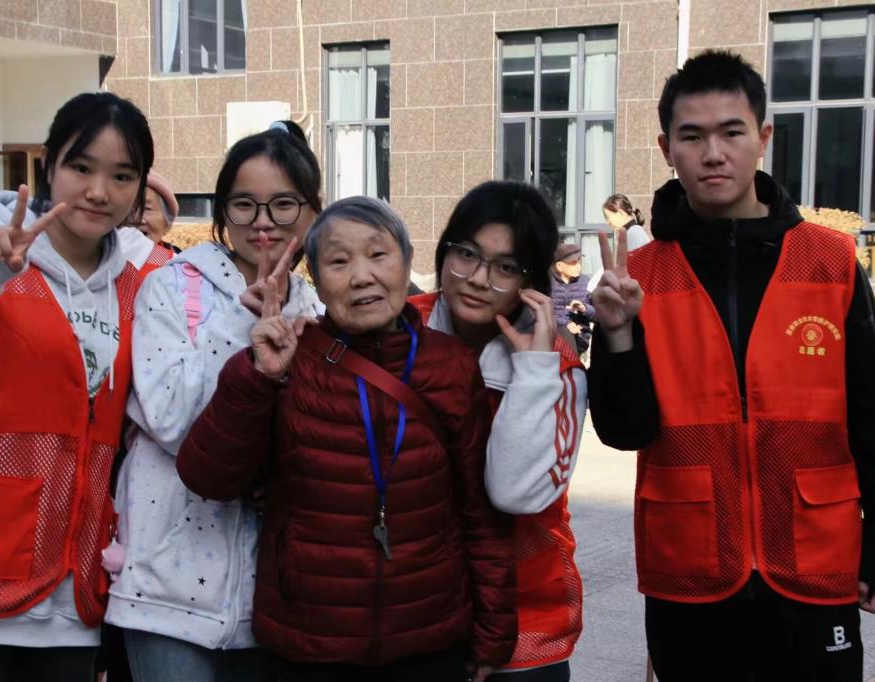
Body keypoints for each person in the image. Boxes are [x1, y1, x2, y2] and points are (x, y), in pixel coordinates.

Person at [588, 50, 875, 682]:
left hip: (813, 554)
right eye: (692, 136)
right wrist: (618, 332)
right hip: (690, 563)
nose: (713, 153)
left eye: (731, 132)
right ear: (666, 148)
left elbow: (873, 410)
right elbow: (625, 431)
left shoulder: (829, 261)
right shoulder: (639, 277)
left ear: (763, 138)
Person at [176, 196, 517, 682]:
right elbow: (208, 477)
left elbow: (479, 512)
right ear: (316, 280)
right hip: (308, 646)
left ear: (407, 263)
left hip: (429, 641)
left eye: (378, 255)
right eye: (339, 262)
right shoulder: (290, 359)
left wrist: (493, 631)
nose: (362, 276)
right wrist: (256, 376)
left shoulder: (452, 364)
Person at [0, 91, 170, 682]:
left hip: (71, 598)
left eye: (122, 176)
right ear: (48, 165)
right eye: (81, 167)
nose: (99, 191)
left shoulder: (142, 284)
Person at [104, 123, 324, 682]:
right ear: (223, 212)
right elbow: (174, 420)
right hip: (166, 588)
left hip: (272, 599)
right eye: (244, 204)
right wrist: (239, 324)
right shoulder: (173, 287)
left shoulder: (317, 310)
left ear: (311, 212)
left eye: (283, 204)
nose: (263, 222)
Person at [409, 181, 586, 681]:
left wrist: (532, 372)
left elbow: (514, 493)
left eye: (505, 267)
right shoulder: (399, 329)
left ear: (531, 281)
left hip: (526, 621)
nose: (478, 279)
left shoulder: (559, 368)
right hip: (414, 617)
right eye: (466, 254)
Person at [550, 241, 595, 355]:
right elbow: (540, 313)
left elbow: (599, 315)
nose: (579, 266)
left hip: (580, 339)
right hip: (553, 340)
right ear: (559, 266)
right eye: (573, 262)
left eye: (579, 261)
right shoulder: (547, 284)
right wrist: (565, 324)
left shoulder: (587, 283)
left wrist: (584, 308)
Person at [132, 169, 181, 251]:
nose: (136, 218)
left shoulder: (180, 258)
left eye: (147, 208)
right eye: (126, 208)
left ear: (167, 225)